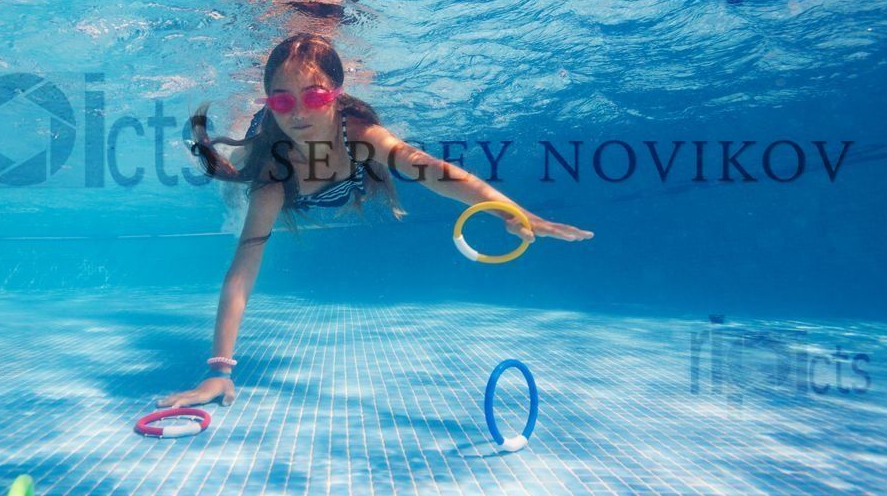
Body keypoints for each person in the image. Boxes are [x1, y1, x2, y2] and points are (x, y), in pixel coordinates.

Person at [156, 33, 593, 408]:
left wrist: (512, 212)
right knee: (236, 183)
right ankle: (240, 154)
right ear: (269, 103)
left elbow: (434, 171)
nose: (299, 113)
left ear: (337, 92)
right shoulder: (272, 175)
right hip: (276, 168)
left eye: (315, 96)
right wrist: (219, 370)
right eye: (283, 100)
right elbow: (242, 271)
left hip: (347, 177)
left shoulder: (363, 135)